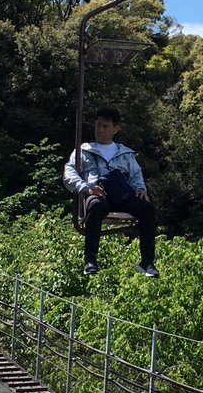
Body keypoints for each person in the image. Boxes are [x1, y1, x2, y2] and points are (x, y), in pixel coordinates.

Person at [63, 106, 158, 278]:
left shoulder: (125, 153)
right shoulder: (84, 151)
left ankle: (148, 262)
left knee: (147, 209)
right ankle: (90, 259)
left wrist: (140, 188)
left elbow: (136, 174)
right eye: (98, 125)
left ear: (116, 128)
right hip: (97, 193)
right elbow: (68, 174)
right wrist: (86, 187)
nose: (100, 129)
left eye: (105, 126)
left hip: (121, 195)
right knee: (97, 205)